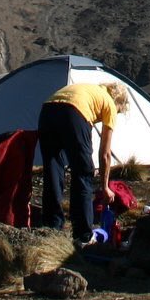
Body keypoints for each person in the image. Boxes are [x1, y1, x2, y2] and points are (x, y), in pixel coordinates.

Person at [36, 80, 130, 245]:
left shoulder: (91, 90)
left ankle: (52, 227)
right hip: (74, 113)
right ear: (119, 103)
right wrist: (105, 187)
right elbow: (105, 154)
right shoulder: (109, 104)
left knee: (53, 171)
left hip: (47, 111)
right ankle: (83, 235)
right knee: (83, 173)